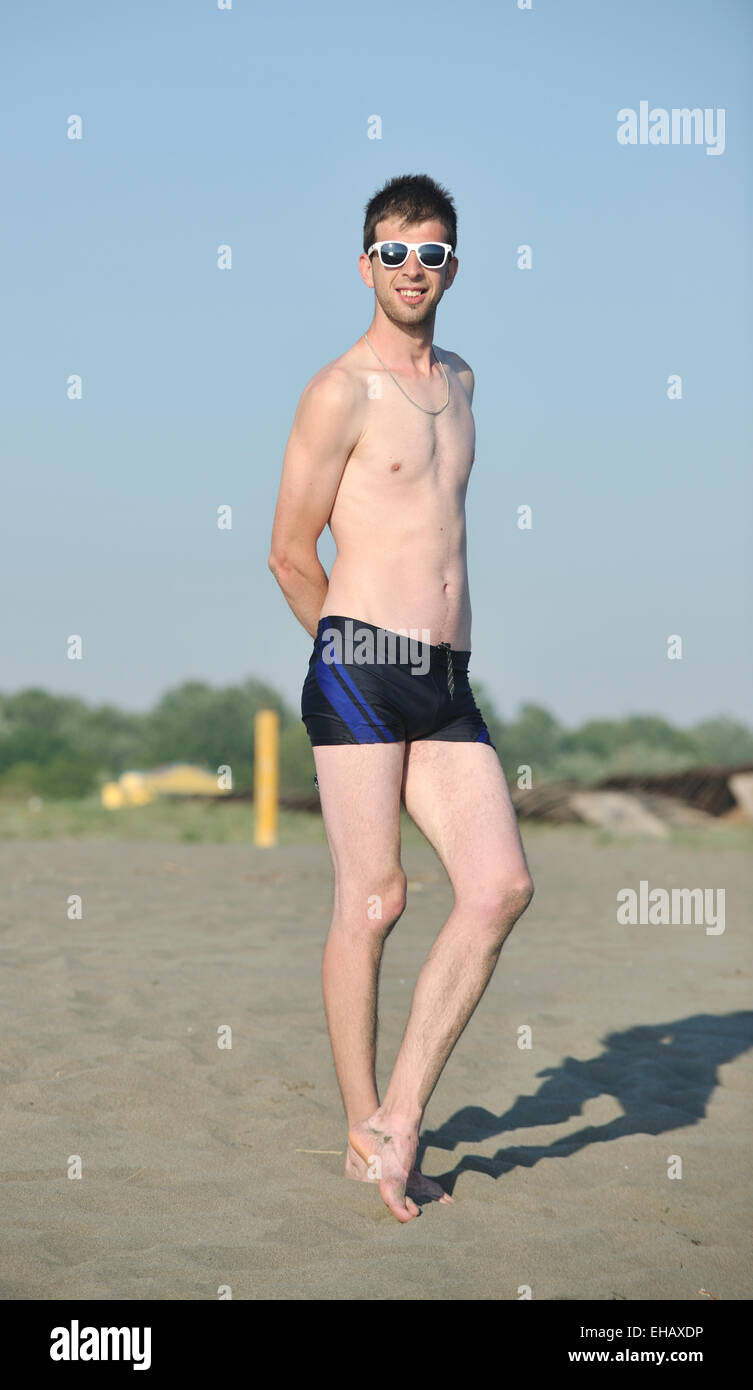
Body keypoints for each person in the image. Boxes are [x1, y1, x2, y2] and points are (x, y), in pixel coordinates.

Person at [269, 173, 534, 1223]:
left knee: (499, 886)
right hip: (362, 667)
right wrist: (348, 657)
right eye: (392, 252)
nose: (411, 268)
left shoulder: (461, 380)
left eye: (428, 252)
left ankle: (401, 1117)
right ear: (365, 265)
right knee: (374, 900)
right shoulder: (339, 389)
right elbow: (290, 554)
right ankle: (361, 1128)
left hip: (447, 681)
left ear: (452, 268)